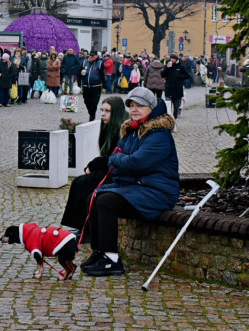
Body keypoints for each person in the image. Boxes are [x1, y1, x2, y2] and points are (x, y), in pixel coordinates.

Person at [81, 87, 179, 277]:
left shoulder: (158, 134)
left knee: (106, 202)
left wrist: (117, 160)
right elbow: (120, 157)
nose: (134, 109)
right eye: (131, 105)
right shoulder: (132, 130)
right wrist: (119, 160)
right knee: (94, 196)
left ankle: (112, 260)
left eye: (140, 106)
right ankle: (100, 252)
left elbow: (136, 162)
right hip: (137, 187)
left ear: (151, 107)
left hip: (158, 193)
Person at [60, 95, 128, 235]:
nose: (102, 114)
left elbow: (115, 158)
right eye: (102, 110)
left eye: (107, 111)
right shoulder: (108, 127)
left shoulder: (122, 130)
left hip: (118, 173)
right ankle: (80, 225)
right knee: (80, 182)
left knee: (84, 184)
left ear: (115, 112)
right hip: (110, 168)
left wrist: (94, 164)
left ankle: (87, 229)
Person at [162, 53, 192, 119]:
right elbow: (162, 75)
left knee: (176, 106)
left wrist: (179, 76)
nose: (172, 60)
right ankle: (168, 120)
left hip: (177, 89)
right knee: (168, 106)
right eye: (171, 58)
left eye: (173, 58)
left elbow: (188, 76)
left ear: (176, 59)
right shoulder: (168, 65)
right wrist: (167, 68)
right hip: (168, 89)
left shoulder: (180, 66)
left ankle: (174, 119)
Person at [79, 50, 105, 122]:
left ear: (96, 56)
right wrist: (81, 74)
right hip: (86, 86)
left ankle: (92, 116)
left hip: (96, 87)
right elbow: (79, 73)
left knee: (94, 102)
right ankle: (91, 113)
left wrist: (105, 87)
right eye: (90, 55)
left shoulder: (100, 63)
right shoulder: (84, 62)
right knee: (86, 101)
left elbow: (103, 75)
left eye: (92, 56)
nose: (91, 57)